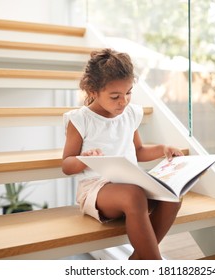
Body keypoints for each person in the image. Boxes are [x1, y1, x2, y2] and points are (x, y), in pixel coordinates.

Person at [62, 48, 183, 260]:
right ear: (92, 91)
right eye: (115, 96)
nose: (123, 101)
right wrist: (84, 159)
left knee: (173, 194)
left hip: (130, 182)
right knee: (134, 195)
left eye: (128, 93)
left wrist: (163, 149)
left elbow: (139, 151)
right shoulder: (81, 120)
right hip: (96, 189)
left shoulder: (129, 114)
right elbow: (66, 165)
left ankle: (138, 260)